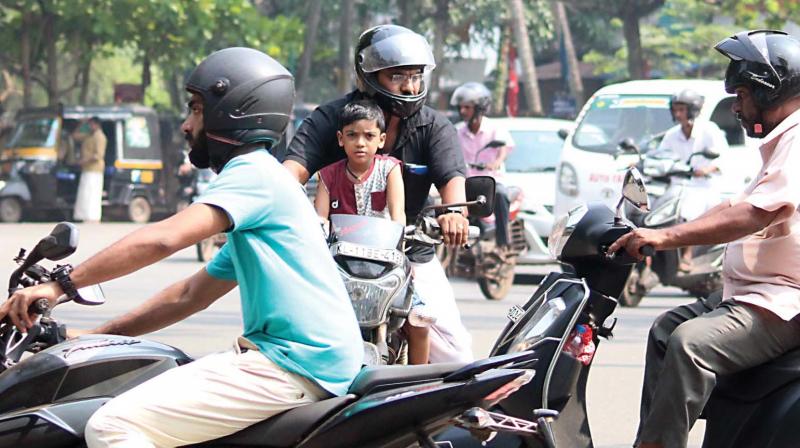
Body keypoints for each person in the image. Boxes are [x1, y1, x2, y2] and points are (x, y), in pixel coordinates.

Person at [2, 47, 362, 447]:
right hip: (303, 361)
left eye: (195, 109)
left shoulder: (253, 175)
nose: (187, 125)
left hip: (294, 364)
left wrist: (57, 287)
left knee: (111, 427)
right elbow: (188, 295)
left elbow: (162, 238)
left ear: (232, 112)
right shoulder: (265, 188)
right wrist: (91, 338)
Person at [607, 30, 800, 448]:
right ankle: (655, 440)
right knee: (664, 329)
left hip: (784, 301)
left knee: (689, 344)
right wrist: (657, 228)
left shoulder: (798, 141)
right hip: (754, 292)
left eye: (743, 94)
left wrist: (668, 238)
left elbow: (753, 214)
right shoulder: (782, 141)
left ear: (770, 91)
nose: (737, 106)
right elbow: (737, 203)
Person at [283, 24, 474, 363]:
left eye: (415, 76)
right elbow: (291, 173)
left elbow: (452, 180)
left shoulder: (434, 126)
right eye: (398, 76)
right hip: (333, 255)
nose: (410, 86)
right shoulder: (330, 119)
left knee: (457, 356)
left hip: (410, 251)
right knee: (288, 335)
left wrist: (455, 214)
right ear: (369, 76)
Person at [314, 99, 433, 365]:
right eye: (352, 135)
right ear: (340, 139)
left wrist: (401, 242)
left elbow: (397, 214)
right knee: (310, 317)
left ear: (380, 140)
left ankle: (416, 385)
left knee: (419, 322)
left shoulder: (389, 169)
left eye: (368, 136)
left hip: (385, 265)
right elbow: (320, 218)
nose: (360, 143)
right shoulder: (327, 177)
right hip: (340, 268)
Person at [653, 89, 729, 271]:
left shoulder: (709, 130)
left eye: (682, 109)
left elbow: (723, 158)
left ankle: (687, 254)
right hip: (678, 184)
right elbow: (660, 155)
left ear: (693, 110)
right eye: (675, 110)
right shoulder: (672, 135)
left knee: (688, 209)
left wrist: (707, 169)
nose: (678, 114)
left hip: (704, 186)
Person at [450, 82, 516, 251]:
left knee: (501, 194)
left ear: (479, 108)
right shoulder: (457, 131)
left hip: (490, 180)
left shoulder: (494, 129)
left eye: (467, 107)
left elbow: (504, 148)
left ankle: (503, 242)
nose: (463, 111)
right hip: (466, 181)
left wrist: (497, 161)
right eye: (461, 107)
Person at [72, 116, 107, 223]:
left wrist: (84, 161)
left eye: (91, 124)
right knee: (85, 193)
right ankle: (84, 215)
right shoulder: (89, 136)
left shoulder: (100, 137)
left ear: (96, 124)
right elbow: (74, 136)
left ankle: (93, 217)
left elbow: (98, 155)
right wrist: (81, 124)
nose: (90, 126)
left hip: (94, 169)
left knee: (93, 194)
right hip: (87, 169)